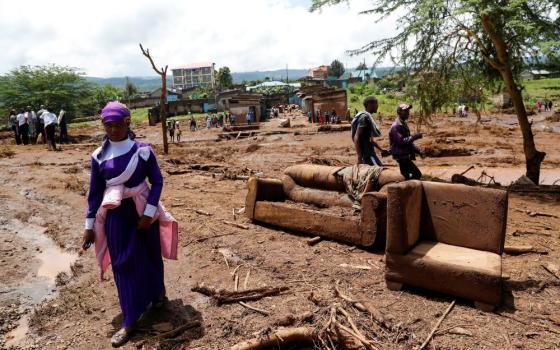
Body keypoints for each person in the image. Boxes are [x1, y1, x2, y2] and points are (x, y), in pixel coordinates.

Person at [82, 102, 178, 348]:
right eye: (108, 125)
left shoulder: (143, 151)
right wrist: (89, 226)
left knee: (150, 255)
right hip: (117, 216)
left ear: (128, 123)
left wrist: (148, 213)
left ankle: (157, 294)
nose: (113, 130)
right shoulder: (98, 156)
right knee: (123, 264)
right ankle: (130, 319)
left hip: (143, 211)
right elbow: (94, 194)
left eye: (118, 125)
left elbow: (156, 181)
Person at [389, 104, 424, 180]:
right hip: (401, 156)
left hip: (404, 155)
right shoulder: (396, 126)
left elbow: (408, 142)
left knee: (406, 177)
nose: (408, 113)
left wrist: (418, 151)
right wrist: (414, 137)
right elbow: (401, 142)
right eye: (405, 111)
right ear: (399, 112)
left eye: (408, 111)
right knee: (417, 174)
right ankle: (408, 189)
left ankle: (406, 189)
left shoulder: (403, 124)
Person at [351, 96, 388, 166]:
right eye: (376, 103)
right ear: (369, 104)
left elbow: (371, 140)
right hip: (366, 154)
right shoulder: (364, 118)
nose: (377, 106)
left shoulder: (368, 118)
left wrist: (381, 150)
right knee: (378, 170)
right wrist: (359, 157)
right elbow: (356, 137)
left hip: (370, 152)